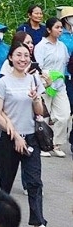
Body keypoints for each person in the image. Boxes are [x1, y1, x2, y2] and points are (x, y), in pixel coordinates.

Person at [0, 41, 56, 227]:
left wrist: (36, 98)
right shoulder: (3, 82)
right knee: (4, 183)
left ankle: (39, 225)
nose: (23, 59)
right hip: (9, 140)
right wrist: (15, 135)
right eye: (18, 55)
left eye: (26, 55)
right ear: (10, 58)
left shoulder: (33, 80)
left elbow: (39, 113)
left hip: (31, 139)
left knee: (35, 182)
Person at [34, 17, 70, 156]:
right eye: (57, 27)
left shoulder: (62, 46)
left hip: (60, 86)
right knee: (42, 116)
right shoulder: (41, 46)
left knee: (64, 115)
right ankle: (43, 144)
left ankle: (56, 143)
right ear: (49, 29)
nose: (60, 30)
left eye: (61, 27)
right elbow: (39, 66)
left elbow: (65, 62)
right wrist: (46, 79)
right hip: (44, 85)